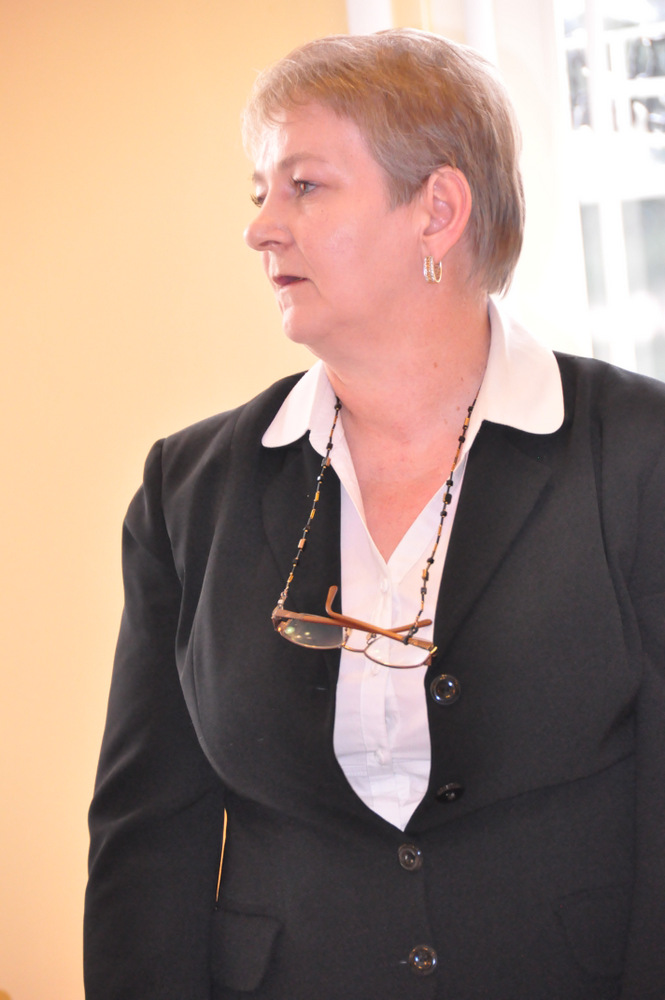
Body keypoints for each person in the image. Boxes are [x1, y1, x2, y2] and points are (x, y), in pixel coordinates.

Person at [83, 28, 665, 1000]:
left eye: (304, 186)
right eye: (259, 192)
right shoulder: (188, 491)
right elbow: (147, 837)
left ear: (435, 210)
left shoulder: (640, 454)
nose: (261, 228)